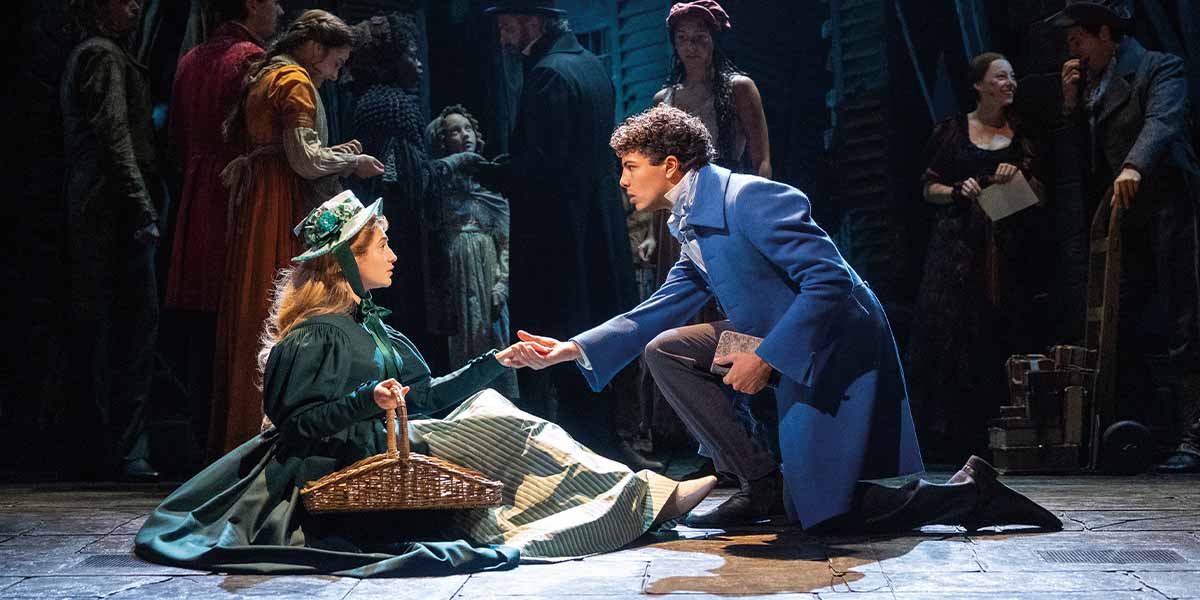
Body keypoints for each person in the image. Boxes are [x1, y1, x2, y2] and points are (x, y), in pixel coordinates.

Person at [507, 105, 1061, 534]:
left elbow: (831, 283)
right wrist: (572, 349)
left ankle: (968, 494)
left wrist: (766, 357)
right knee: (667, 348)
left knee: (822, 516)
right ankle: (758, 480)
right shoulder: (691, 219)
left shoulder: (750, 199)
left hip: (832, 342)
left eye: (630, 168)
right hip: (777, 333)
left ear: (670, 165)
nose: (623, 181)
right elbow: (661, 308)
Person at [133, 190, 716, 576]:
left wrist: (497, 360)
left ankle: (633, 497)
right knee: (502, 425)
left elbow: (429, 396)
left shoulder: (373, 327)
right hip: (339, 466)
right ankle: (645, 494)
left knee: (491, 403)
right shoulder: (314, 336)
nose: (393, 253)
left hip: (396, 446)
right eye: (380, 244)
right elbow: (295, 425)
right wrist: (368, 399)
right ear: (343, 261)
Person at [209, 9, 385, 459]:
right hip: (280, 199)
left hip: (264, 192)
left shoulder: (269, 74)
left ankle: (248, 432)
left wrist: (334, 152)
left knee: (257, 307)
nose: (335, 73)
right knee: (285, 306)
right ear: (314, 49)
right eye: (335, 62)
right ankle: (270, 434)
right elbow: (304, 162)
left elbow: (290, 148)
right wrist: (351, 163)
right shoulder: (294, 80)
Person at [1050, 0, 1200, 473]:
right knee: (1122, 324)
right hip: (1124, 218)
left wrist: (1134, 164)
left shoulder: (1159, 68)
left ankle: (1195, 435)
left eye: (1077, 40)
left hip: (1171, 206)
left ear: (1104, 35)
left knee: (1185, 319)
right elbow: (1080, 165)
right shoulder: (1090, 87)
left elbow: (1162, 122)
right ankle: (1143, 432)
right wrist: (1071, 109)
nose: (1072, 52)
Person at [479, 0, 638, 446]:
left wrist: (490, 171)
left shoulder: (548, 74)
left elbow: (543, 167)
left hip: (561, 237)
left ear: (533, 22)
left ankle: (578, 451)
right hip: (595, 226)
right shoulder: (588, 65)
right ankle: (606, 442)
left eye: (507, 25)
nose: (503, 36)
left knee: (562, 344)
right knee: (591, 341)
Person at [905, 52, 1046, 460]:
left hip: (1004, 251)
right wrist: (956, 190)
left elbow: (1039, 195)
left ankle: (998, 435)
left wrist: (1015, 177)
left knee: (998, 334)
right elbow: (928, 188)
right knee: (950, 336)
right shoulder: (953, 131)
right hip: (955, 250)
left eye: (1012, 76)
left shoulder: (1022, 136)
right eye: (1001, 77)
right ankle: (947, 440)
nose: (1010, 83)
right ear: (979, 85)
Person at [163, 0, 281, 446]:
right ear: (251, 4)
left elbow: (174, 137)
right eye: (272, 1)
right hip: (236, 195)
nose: (279, 9)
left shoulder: (191, 60)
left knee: (201, 324)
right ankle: (231, 439)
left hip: (196, 198)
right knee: (240, 315)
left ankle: (201, 439)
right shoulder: (251, 59)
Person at [61, 0, 162, 481]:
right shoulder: (102, 55)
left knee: (112, 329)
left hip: (105, 208)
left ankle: (110, 447)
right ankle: (122, 450)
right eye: (125, 1)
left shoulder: (103, 53)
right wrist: (141, 206)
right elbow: (115, 137)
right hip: (112, 212)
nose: (136, 7)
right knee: (126, 328)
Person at [349, 13, 485, 370]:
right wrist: (456, 162)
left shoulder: (377, 101)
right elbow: (408, 179)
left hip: (393, 230)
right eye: (410, 54)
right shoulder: (392, 106)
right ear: (391, 60)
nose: (419, 63)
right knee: (410, 320)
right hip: (404, 237)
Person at [424, 105, 520, 400]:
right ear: (442, 140)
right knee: (460, 343)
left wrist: (502, 283)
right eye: (454, 130)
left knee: (493, 337)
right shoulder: (437, 190)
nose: (463, 134)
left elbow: (505, 240)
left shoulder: (489, 188)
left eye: (467, 128)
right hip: (454, 275)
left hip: (487, 272)